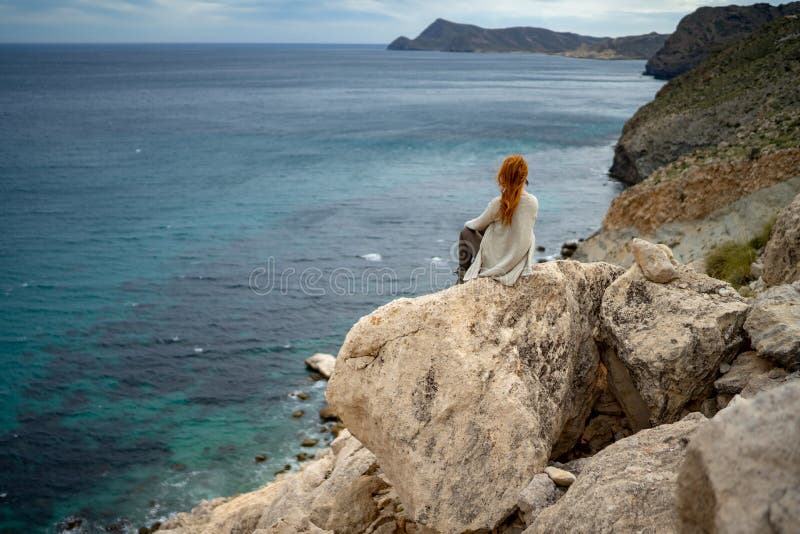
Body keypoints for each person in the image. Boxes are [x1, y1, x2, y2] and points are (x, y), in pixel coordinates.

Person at [457, 155, 538, 286]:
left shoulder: (498, 204)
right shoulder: (533, 202)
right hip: (517, 261)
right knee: (494, 227)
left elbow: (475, 225)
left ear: (503, 177)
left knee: (466, 231)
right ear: (524, 176)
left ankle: (462, 276)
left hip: (497, 264)